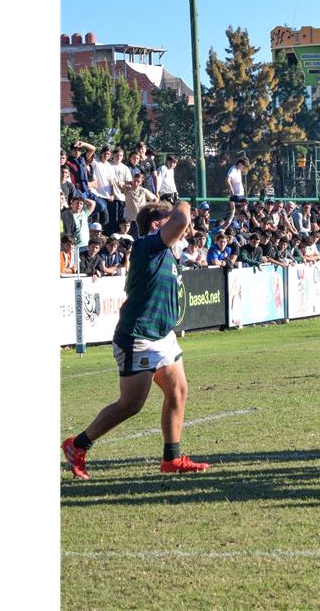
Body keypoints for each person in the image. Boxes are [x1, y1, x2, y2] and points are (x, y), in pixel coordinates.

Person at [61, 200, 210, 480]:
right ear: (156, 225)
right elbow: (181, 219)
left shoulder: (164, 249)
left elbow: (180, 225)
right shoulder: (148, 245)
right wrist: (181, 203)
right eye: (167, 218)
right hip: (138, 336)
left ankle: (171, 458)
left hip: (162, 335)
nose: (180, 223)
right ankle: (77, 444)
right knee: (131, 404)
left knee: (178, 391)